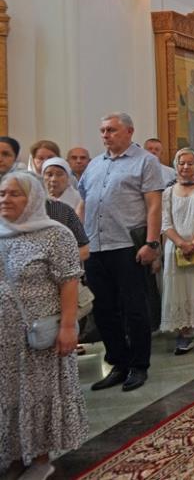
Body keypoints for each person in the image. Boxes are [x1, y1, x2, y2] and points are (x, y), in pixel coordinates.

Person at [0, 173, 88, 479]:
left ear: (33, 198)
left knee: (38, 393)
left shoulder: (55, 234)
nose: (5, 200)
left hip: (37, 334)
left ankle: (40, 457)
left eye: (14, 194)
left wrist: (68, 327)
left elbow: (69, 282)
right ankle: (13, 455)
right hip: (4, 336)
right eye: (2, 193)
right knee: (8, 394)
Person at [79, 113, 163, 392]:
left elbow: (153, 205)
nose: (106, 135)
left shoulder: (145, 161)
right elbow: (84, 203)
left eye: (112, 130)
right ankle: (118, 362)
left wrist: (152, 243)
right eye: (103, 130)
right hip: (96, 246)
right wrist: (79, 240)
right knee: (103, 309)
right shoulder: (95, 164)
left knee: (134, 308)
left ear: (129, 131)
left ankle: (139, 365)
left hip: (127, 245)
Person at [159, 148, 194, 355]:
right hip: (176, 248)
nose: (185, 167)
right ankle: (185, 333)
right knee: (179, 288)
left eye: (190, 163)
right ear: (176, 165)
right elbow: (165, 223)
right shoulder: (168, 192)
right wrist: (182, 243)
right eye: (182, 163)